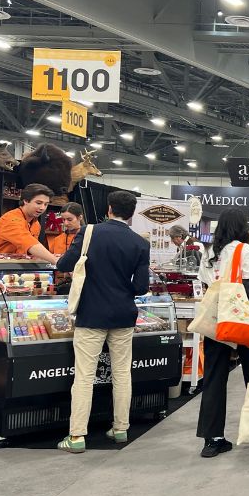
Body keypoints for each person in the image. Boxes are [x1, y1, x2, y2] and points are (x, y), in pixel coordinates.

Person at [56, 191, 150, 453]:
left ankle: (76, 436)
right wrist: (122, 291)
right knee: (122, 374)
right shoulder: (140, 243)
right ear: (131, 214)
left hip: (91, 315)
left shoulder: (89, 233)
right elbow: (141, 287)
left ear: (109, 208)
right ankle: (120, 429)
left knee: (84, 376)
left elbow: (64, 263)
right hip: (123, 315)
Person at [196, 208, 249, 458]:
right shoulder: (245, 250)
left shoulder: (209, 251)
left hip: (216, 321)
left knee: (214, 377)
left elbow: (205, 284)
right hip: (242, 320)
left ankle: (213, 439)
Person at [0, 183, 58, 265]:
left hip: (14, 268)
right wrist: (56, 261)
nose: (42, 208)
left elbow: (31, 251)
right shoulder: (11, 219)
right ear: (25, 201)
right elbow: (29, 244)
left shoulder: (36, 224)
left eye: (46, 204)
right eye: (38, 203)